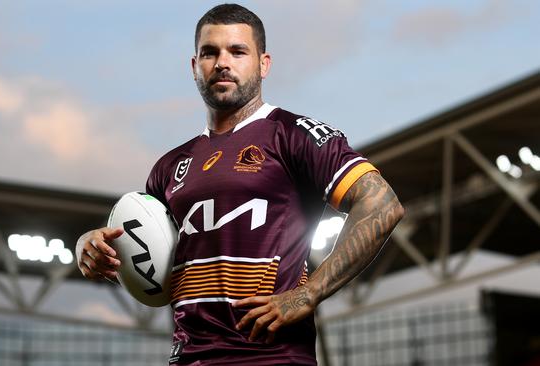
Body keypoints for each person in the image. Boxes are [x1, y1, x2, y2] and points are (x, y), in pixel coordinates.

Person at [76, 3, 404, 365]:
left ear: (263, 64)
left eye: (237, 51)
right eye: (209, 52)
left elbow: (382, 204)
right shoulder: (169, 167)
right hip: (189, 357)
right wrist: (90, 247)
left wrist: (308, 294)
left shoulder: (292, 135)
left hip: (271, 357)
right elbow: (148, 256)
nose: (222, 62)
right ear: (194, 66)